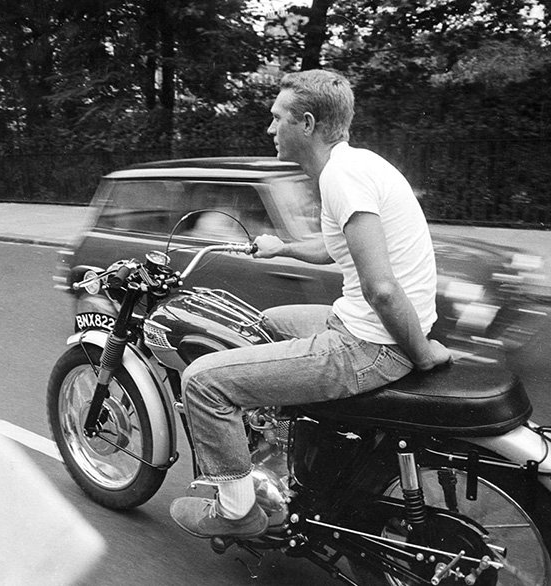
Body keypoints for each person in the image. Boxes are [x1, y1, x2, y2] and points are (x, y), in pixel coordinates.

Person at [170, 69, 451, 539]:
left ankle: (236, 511)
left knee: (201, 381)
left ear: (306, 122)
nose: (269, 129)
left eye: (276, 118)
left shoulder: (342, 179)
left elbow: (381, 288)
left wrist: (423, 353)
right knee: (263, 323)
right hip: (364, 326)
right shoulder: (350, 167)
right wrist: (282, 248)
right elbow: (332, 248)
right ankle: (281, 457)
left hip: (371, 345)